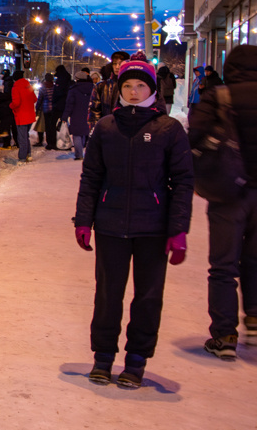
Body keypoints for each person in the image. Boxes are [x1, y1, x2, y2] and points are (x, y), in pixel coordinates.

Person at [73, 58, 194, 387]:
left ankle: (137, 359)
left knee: (148, 296)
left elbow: (183, 182)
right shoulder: (107, 128)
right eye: (128, 86)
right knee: (108, 294)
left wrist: (178, 229)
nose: (134, 91)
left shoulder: (169, 130)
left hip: (153, 229)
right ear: (119, 90)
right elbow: (91, 178)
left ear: (153, 90)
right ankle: (103, 357)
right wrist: (84, 220)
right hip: (111, 225)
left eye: (141, 86)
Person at [189, 44, 257, 360]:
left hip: (228, 192)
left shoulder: (219, 97)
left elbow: (195, 135)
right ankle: (254, 319)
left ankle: (225, 335)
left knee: (223, 265)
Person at [89, 50, 131, 126]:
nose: (117, 67)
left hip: (125, 130)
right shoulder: (101, 86)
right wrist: (96, 130)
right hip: (106, 129)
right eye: (115, 64)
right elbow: (95, 112)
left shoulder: (131, 87)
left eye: (120, 63)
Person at [62, 68, 94, 160]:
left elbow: (69, 105)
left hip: (76, 114)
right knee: (84, 133)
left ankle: (79, 154)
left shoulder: (73, 90)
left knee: (76, 134)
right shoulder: (92, 88)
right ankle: (82, 151)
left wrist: (65, 116)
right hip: (88, 113)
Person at [9, 69, 36, 162]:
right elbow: (34, 99)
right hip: (30, 115)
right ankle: (28, 154)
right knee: (26, 136)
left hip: (21, 116)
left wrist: (10, 105)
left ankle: (22, 157)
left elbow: (16, 103)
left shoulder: (15, 87)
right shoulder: (28, 85)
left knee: (22, 138)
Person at [38, 73, 57, 150]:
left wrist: (37, 108)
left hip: (46, 109)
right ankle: (54, 142)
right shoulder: (54, 87)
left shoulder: (43, 88)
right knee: (53, 127)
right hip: (53, 109)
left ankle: (49, 143)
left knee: (48, 127)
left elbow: (40, 99)